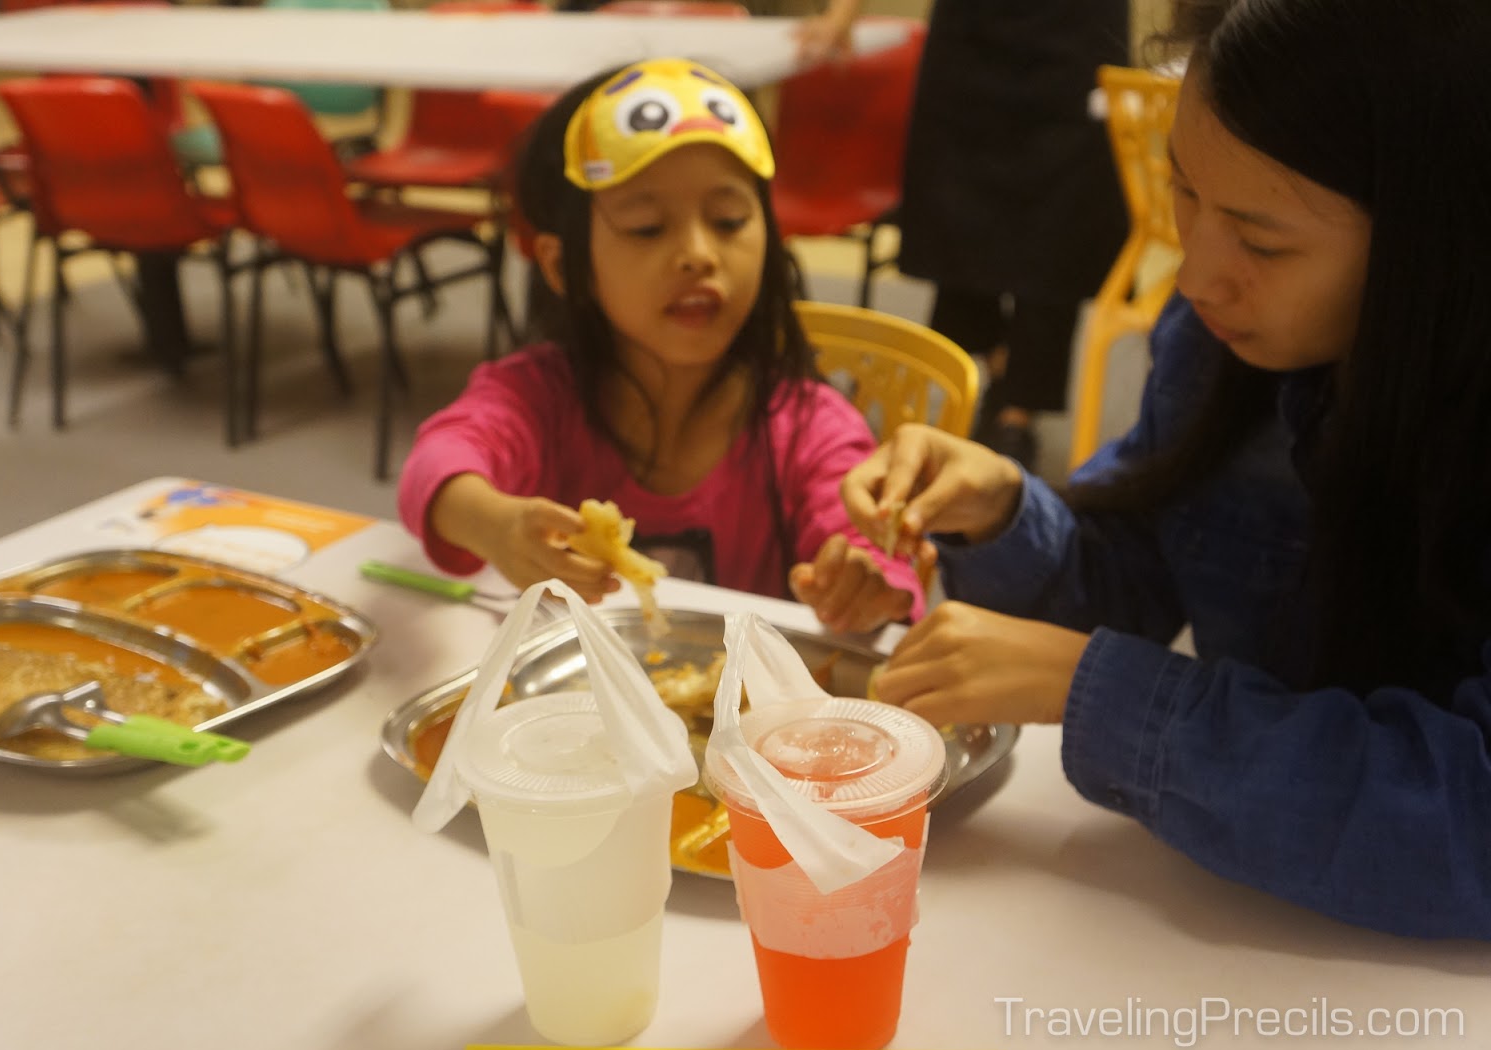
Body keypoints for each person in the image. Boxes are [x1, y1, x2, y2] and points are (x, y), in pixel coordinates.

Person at [838, 0, 1491, 938]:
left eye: (1261, 242)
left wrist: (1105, 694)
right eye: (1184, 192)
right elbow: (1139, 566)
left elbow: (1468, 822)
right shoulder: (1222, 344)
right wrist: (1003, 512)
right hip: (1223, 925)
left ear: (1439, 238)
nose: (1194, 278)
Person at [396, 57, 921, 634]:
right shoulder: (538, 397)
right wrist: (494, 524)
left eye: (728, 220)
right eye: (647, 227)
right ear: (563, 266)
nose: (698, 254)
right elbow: (436, 463)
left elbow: (872, 549)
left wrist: (865, 582)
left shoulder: (807, 427)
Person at [798, 0, 1129, 473]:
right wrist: (841, 15)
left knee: (1059, 228)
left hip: (1076, 35)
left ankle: (1017, 415)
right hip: (971, 37)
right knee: (955, 215)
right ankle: (1000, 363)